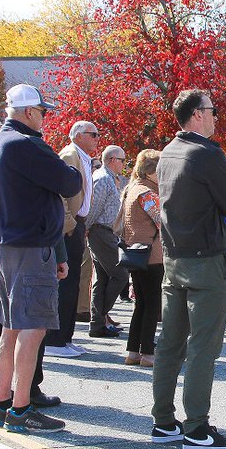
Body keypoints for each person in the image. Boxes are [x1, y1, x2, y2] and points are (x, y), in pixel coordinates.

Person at [0, 84, 79, 433]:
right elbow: (68, 183)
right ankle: (21, 409)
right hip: (29, 247)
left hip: (3, 246)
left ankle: (1, 404)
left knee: (9, 327)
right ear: (29, 112)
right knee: (33, 329)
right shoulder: (27, 145)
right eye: (43, 111)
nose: (44, 118)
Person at [153, 89, 226, 449]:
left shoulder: (168, 152)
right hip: (205, 261)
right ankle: (196, 429)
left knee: (170, 345)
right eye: (212, 110)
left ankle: (164, 421)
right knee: (203, 347)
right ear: (196, 115)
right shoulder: (206, 153)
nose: (216, 116)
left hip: (174, 258)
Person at [43, 120, 101, 357]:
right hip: (69, 226)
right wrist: (68, 225)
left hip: (78, 224)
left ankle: (65, 338)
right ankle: (55, 340)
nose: (97, 138)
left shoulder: (82, 157)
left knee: (73, 282)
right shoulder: (69, 155)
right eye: (93, 134)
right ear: (78, 136)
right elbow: (60, 195)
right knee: (65, 282)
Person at [121, 149, 163, 366]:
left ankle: (133, 352)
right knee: (151, 305)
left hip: (135, 253)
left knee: (141, 304)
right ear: (151, 172)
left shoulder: (131, 189)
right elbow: (162, 220)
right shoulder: (147, 192)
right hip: (152, 255)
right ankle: (147, 352)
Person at [84, 145, 129, 340]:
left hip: (105, 232)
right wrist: (86, 227)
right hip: (100, 231)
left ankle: (98, 325)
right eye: (122, 160)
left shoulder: (111, 178)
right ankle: (101, 316)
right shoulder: (103, 178)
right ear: (112, 160)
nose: (124, 165)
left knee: (102, 279)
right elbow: (93, 208)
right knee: (120, 274)